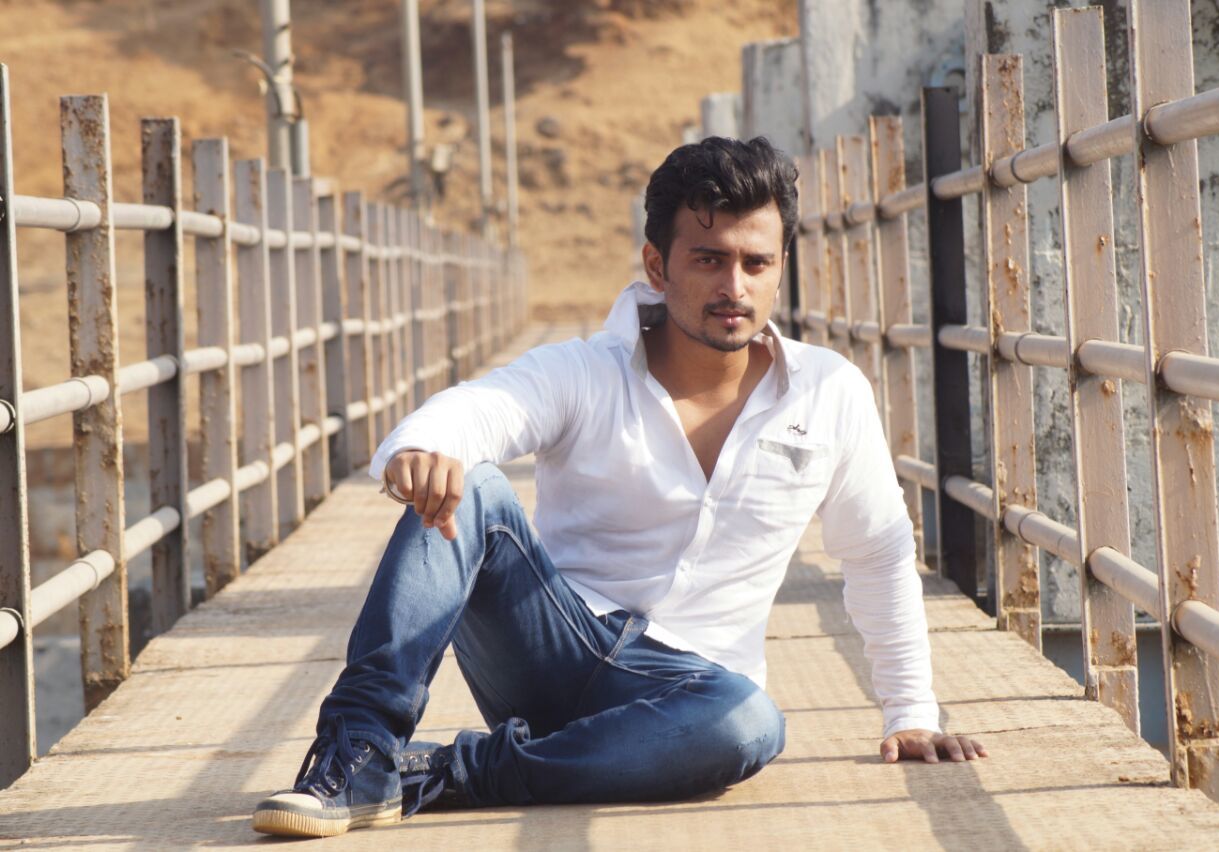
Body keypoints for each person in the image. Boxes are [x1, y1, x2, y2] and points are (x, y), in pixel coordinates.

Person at [252, 136, 987, 838]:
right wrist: (423, 448)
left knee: (748, 724)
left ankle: (446, 773)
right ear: (657, 265)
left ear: (780, 267)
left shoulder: (828, 392)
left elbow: (877, 554)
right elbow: (483, 407)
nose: (734, 286)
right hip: (549, 646)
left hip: (689, 697)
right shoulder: (587, 371)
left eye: (756, 263)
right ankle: (359, 754)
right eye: (709, 259)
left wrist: (910, 712)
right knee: (471, 485)